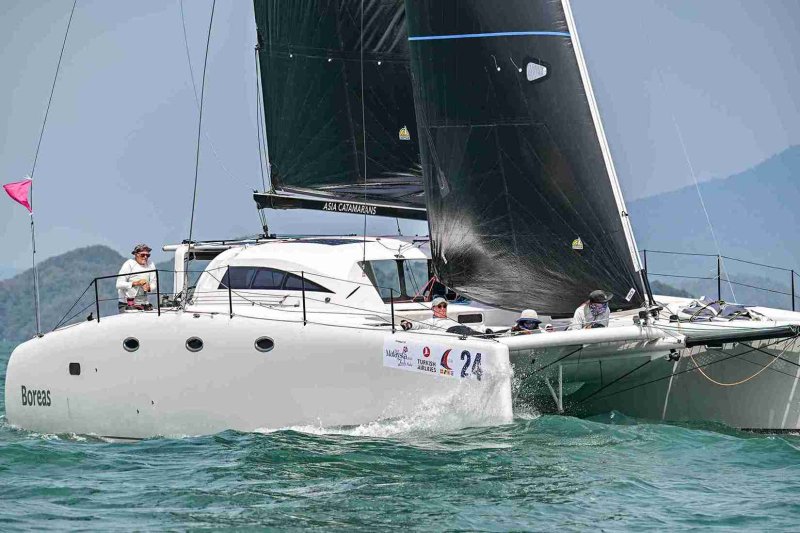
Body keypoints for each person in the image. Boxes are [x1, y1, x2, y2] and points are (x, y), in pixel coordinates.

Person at [400, 296, 483, 335]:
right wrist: (409, 324)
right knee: (462, 329)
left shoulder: (451, 320)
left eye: (444, 306)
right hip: (452, 333)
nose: (442, 308)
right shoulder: (432, 321)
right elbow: (419, 325)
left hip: (464, 332)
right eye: (439, 306)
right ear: (433, 309)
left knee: (468, 329)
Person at [116, 244, 158, 312]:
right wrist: (136, 283)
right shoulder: (129, 264)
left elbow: (154, 283)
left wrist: (149, 288)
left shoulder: (151, 264)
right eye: (142, 255)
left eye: (148, 255)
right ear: (136, 255)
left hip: (144, 304)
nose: (145, 257)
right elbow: (118, 284)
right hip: (127, 304)